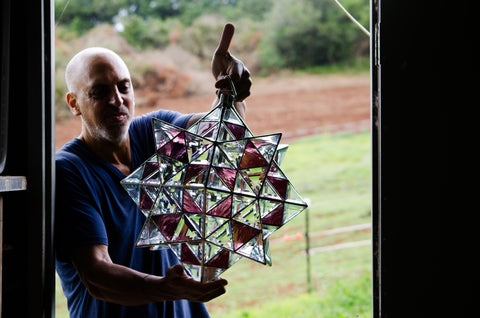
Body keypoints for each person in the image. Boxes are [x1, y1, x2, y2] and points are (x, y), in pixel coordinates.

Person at [55, 23, 251, 317]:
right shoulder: (70, 170)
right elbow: (97, 274)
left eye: (124, 86)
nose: (117, 100)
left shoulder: (152, 133)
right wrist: (164, 289)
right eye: (99, 92)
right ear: (74, 104)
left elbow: (221, 137)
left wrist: (231, 92)